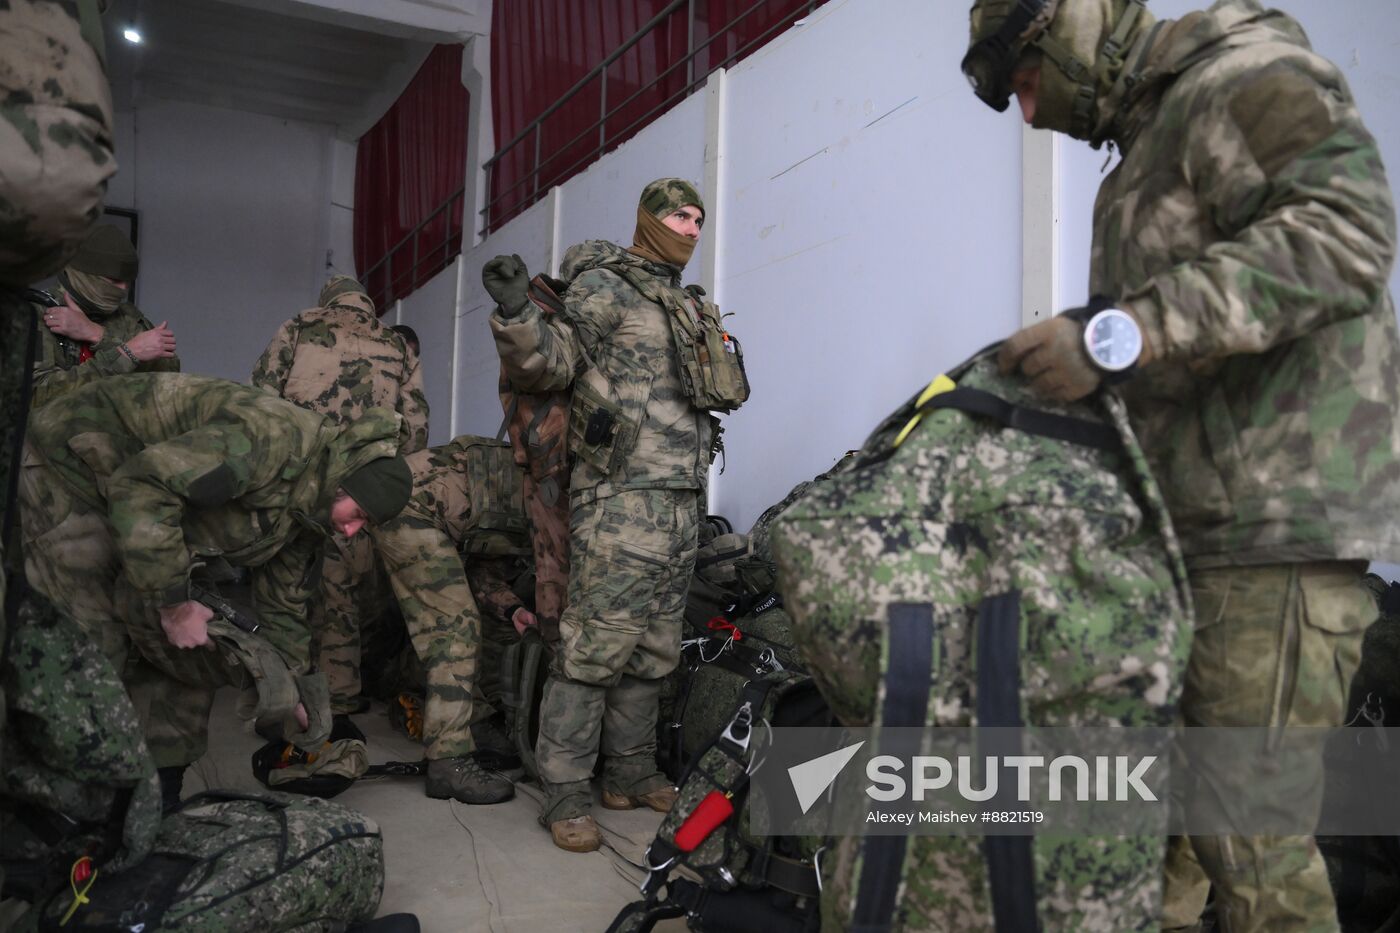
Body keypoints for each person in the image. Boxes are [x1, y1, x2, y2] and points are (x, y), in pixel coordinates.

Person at [963, 0, 1400, 929]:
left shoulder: (1240, 77)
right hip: (1184, 543)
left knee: (1252, 851)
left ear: (1064, 29)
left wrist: (1120, 333)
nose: (1031, 116)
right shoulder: (1141, 158)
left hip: (1267, 540)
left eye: (1029, 86)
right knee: (1151, 835)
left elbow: (1347, 236)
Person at [485, 178, 745, 853]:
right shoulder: (607, 285)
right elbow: (550, 362)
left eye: (697, 218)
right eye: (677, 216)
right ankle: (565, 787)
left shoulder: (684, 301)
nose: (690, 228)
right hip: (621, 496)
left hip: (681, 497)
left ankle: (629, 770)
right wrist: (515, 309)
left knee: (655, 644)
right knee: (594, 645)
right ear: (646, 218)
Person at [18, 372, 412, 807]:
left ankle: (158, 797)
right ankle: (54, 811)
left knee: (193, 651)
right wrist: (173, 605)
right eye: (356, 513)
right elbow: (143, 486)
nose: (352, 530)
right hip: (69, 468)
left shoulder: (310, 515)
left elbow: (285, 610)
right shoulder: (268, 442)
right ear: (341, 482)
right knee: (93, 645)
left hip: (141, 505)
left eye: (365, 526)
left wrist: (294, 694)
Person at [251, 274, 429, 725]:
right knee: (344, 591)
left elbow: (259, 402)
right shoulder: (396, 343)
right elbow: (417, 429)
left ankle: (286, 699)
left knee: (287, 592)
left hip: (298, 480)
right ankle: (342, 696)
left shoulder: (298, 326)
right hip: (363, 486)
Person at [348, 435, 531, 804]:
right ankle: (449, 762)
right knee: (455, 629)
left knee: (467, 624)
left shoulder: (533, 493)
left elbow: (485, 572)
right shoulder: (555, 491)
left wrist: (514, 609)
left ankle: (472, 721)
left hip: (427, 513)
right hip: (407, 504)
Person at [30, 223, 178, 408]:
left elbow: (170, 376)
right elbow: (35, 396)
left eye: (127, 281)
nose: (123, 289)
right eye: (114, 280)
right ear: (85, 274)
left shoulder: (127, 317)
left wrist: (98, 335)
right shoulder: (32, 314)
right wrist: (125, 354)